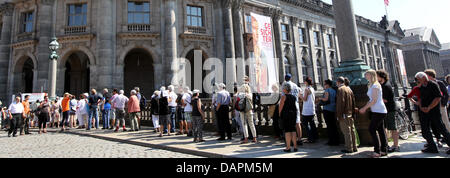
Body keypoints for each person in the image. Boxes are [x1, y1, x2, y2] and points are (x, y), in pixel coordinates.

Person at [415, 72, 450, 154]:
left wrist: (429, 107)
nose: (417, 81)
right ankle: (432, 146)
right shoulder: (420, 86)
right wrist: (421, 107)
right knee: (425, 129)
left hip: (434, 110)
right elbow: (419, 98)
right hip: (423, 111)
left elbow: (438, 98)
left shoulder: (433, 85)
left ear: (423, 77)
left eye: (418, 79)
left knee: (440, 128)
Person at [359, 70, 388, 158]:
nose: (365, 75)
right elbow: (371, 99)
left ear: (371, 75)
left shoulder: (375, 85)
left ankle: (377, 151)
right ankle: (383, 150)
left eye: (366, 74)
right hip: (376, 110)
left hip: (379, 110)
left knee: (372, 129)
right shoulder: (371, 85)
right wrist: (366, 106)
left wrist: (364, 108)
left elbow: (374, 100)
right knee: (380, 130)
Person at [376, 70, 400, 153]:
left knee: (393, 127)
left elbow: (385, 100)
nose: (376, 78)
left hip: (390, 109)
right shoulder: (382, 85)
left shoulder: (386, 86)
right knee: (385, 127)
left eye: (377, 76)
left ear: (381, 77)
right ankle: (386, 144)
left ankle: (396, 145)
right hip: (385, 110)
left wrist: (375, 100)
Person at [336, 77, 358, 154]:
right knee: (352, 130)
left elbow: (340, 103)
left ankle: (349, 148)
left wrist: (339, 115)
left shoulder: (340, 89)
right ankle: (354, 146)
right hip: (350, 112)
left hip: (344, 113)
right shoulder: (349, 89)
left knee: (346, 131)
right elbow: (353, 101)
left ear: (338, 82)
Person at [282, 74, 303, 145]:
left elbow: (283, 96)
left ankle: (290, 141)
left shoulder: (285, 85)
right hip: (296, 104)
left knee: (289, 124)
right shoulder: (295, 85)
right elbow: (300, 92)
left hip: (288, 106)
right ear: (291, 78)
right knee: (297, 123)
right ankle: (299, 139)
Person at [318, 79, 339, 146]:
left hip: (327, 109)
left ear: (327, 85)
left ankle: (331, 141)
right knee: (333, 125)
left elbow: (326, 99)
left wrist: (320, 99)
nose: (324, 85)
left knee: (329, 125)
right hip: (333, 108)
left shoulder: (327, 90)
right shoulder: (333, 90)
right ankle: (336, 140)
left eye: (324, 84)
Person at [279, 82, 298, 152]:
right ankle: (295, 146)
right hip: (293, 114)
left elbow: (280, 107)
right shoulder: (293, 97)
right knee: (293, 130)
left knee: (287, 131)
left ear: (285, 89)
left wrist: (279, 114)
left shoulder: (284, 97)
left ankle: (288, 147)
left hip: (286, 114)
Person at [301, 77, 317, 143]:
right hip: (312, 108)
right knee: (312, 123)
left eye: (305, 81)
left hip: (307, 109)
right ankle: (314, 137)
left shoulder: (307, 89)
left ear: (306, 82)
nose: (304, 82)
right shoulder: (312, 89)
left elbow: (305, 99)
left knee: (305, 124)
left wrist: (300, 96)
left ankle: (310, 138)